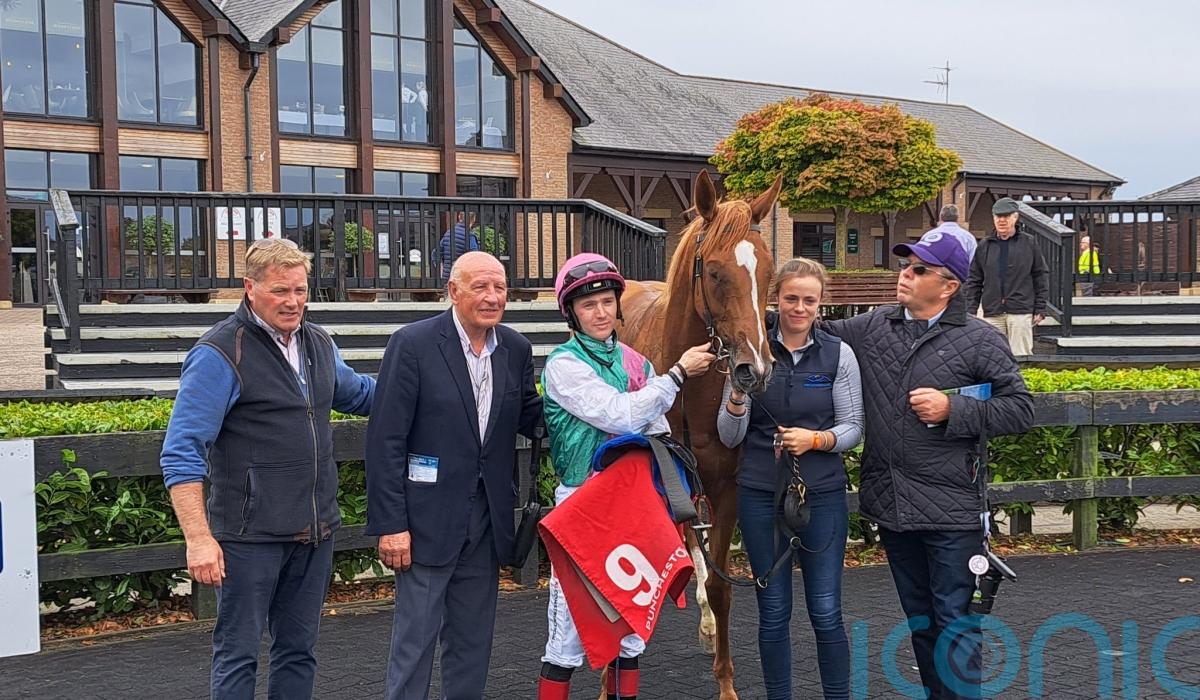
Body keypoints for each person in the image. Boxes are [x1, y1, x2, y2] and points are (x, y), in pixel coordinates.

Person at [819, 232, 1033, 700]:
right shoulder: (874, 325)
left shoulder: (981, 339)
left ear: (949, 286)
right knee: (921, 622)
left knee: (955, 624)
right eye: (905, 266)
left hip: (952, 511)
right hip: (892, 507)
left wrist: (954, 409)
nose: (905, 275)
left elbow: (1021, 410)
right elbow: (813, 333)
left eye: (919, 270)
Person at [160, 238, 375, 699]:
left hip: (314, 532)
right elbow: (181, 451)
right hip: (248, 538)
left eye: (300, 290)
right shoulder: (220, 353)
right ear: (250, 288)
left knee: (298, 651)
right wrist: (198, 539)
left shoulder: (318, 342)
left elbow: (359, 394)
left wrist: (426, 388)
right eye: (280, 291)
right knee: (238, 654)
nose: (293, 302)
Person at [537, 252, 714, 700]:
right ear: (572, 314)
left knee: (632, 628)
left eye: (606, 301)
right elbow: (620, 414)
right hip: (582, 507)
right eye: (588, 305)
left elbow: (657, 429)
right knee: (568, 635)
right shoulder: (563, 364)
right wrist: (677, 375)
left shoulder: (637, 362)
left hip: (631, 507)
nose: (600, 312)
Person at [366, 251, 542, 700]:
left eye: (500, 287)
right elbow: (386, 439)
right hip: (425, 522)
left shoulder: (516, 349)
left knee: (472, 644)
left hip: (486, 522)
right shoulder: (413, 344)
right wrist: (391, 525)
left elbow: (533, 418)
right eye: (481, 287)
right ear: (453, 291)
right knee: (414, 644)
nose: (492, 297)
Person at [717, 257, 864, 700]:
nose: (800, 308)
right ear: (775, 298)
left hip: (822, 494)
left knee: (826, 611)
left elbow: (854, 427)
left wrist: (816, 439)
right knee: (773, 611)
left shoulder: (837, 354)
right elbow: (730, 435)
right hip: (761, 493)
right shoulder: (751, 350)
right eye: (791, 298)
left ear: (820, 304)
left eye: (809, 301)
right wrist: (737, 395)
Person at [963, 197, 1050, 356]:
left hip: (1020, 310)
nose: (1001, 220)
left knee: (1021, 355)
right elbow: (974, 279)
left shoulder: (1029, 243)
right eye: (998, 216)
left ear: (1015, 217)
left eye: (1006, 216)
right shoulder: (984, 245)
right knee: (992, 356)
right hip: (992, 311)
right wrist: (971, 309)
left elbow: (1040, 275)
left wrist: (1040, 307)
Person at [437, 212, 480, 287]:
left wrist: (442, 268)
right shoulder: (470, 236)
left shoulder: (448, 233)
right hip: (463, 278)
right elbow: (474, 257)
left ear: (459, 217)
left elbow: (435, 253)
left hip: (447, 278)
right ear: (473, 219)